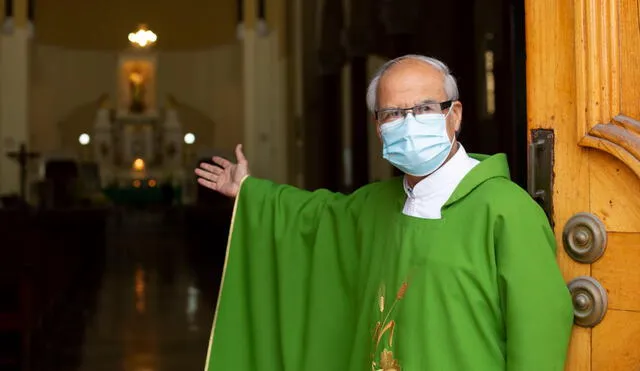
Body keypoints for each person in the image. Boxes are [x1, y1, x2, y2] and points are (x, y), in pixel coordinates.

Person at [195, 55, 574, 371]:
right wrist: (248, 191)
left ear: (454, 114)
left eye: (424, 108)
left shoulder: (506, 209)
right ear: (378, 127)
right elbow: (310, 218)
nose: (408, 123)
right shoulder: (373, 205)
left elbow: (538, 331)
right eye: (392, 113)